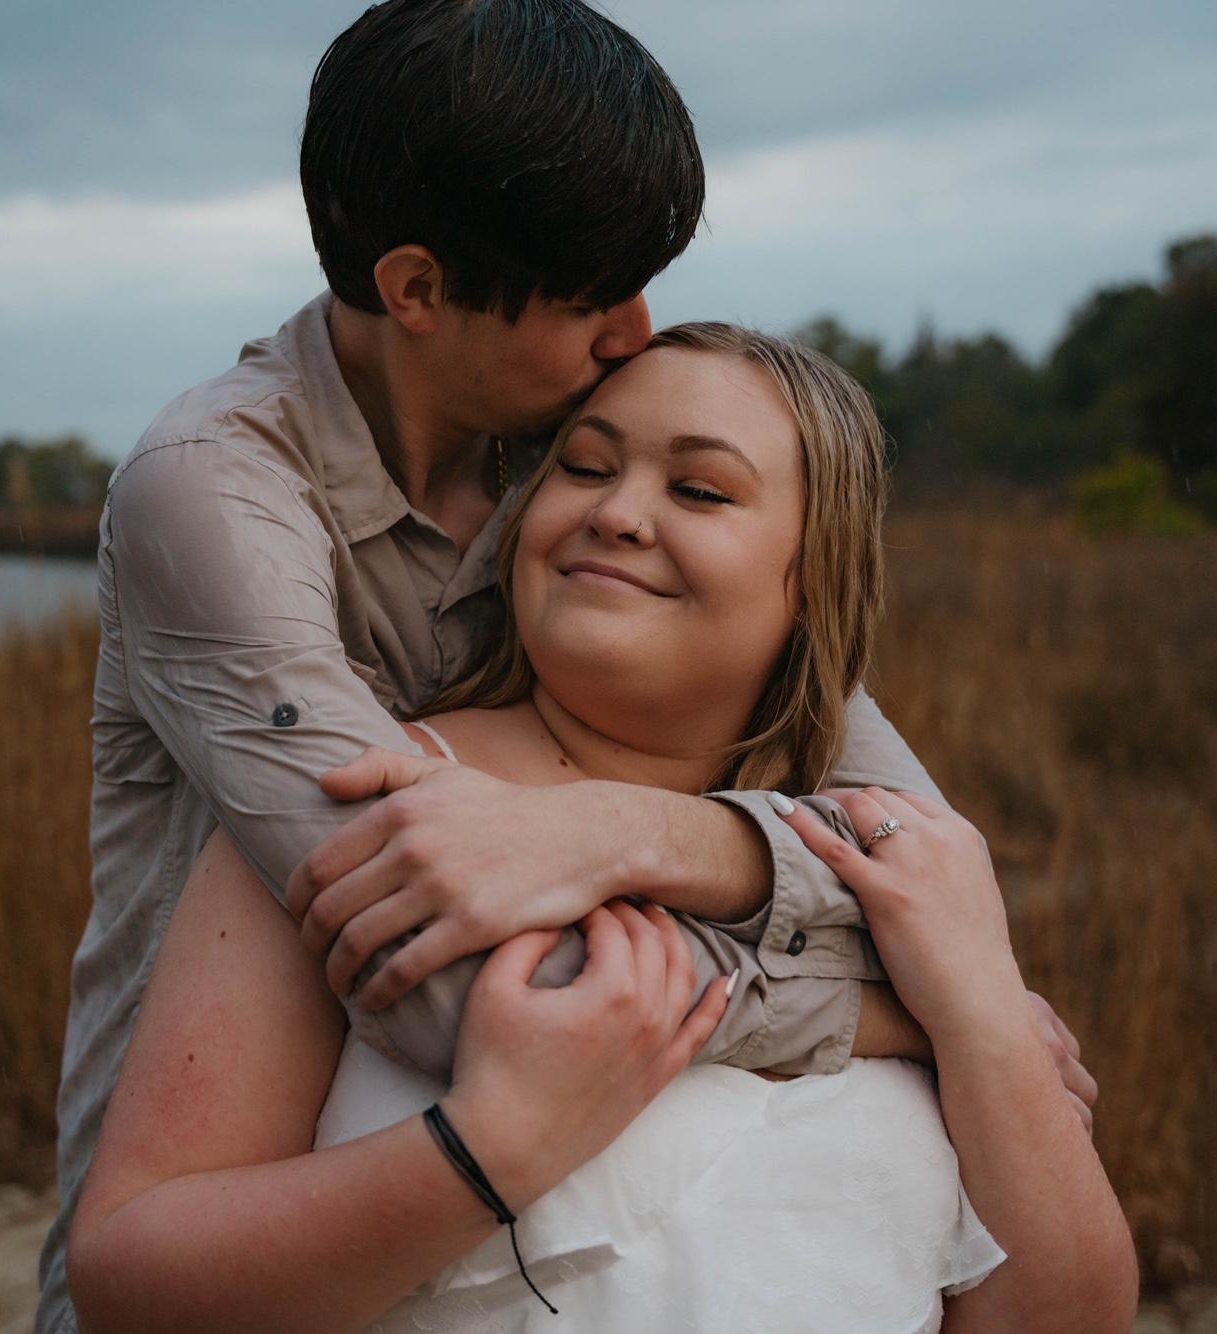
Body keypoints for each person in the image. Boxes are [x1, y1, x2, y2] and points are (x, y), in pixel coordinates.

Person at [38, 4, 981, 1328]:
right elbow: (448, 976)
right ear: (418, 290)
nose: (635, 332)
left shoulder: (573, 457)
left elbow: (922, 852)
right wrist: (919, 1012)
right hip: (237, 1226)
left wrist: (640, 831)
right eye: (591, 296)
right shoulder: (213, 498)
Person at [66, 326, 1136, 1331]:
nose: (617, 512)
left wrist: (982, 1022)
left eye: (699, 489)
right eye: (582, 467)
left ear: (815, 579)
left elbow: (1066, 1315)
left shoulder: (897, 873)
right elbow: (128, 1277)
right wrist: (479, 1155)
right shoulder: (382, 806)